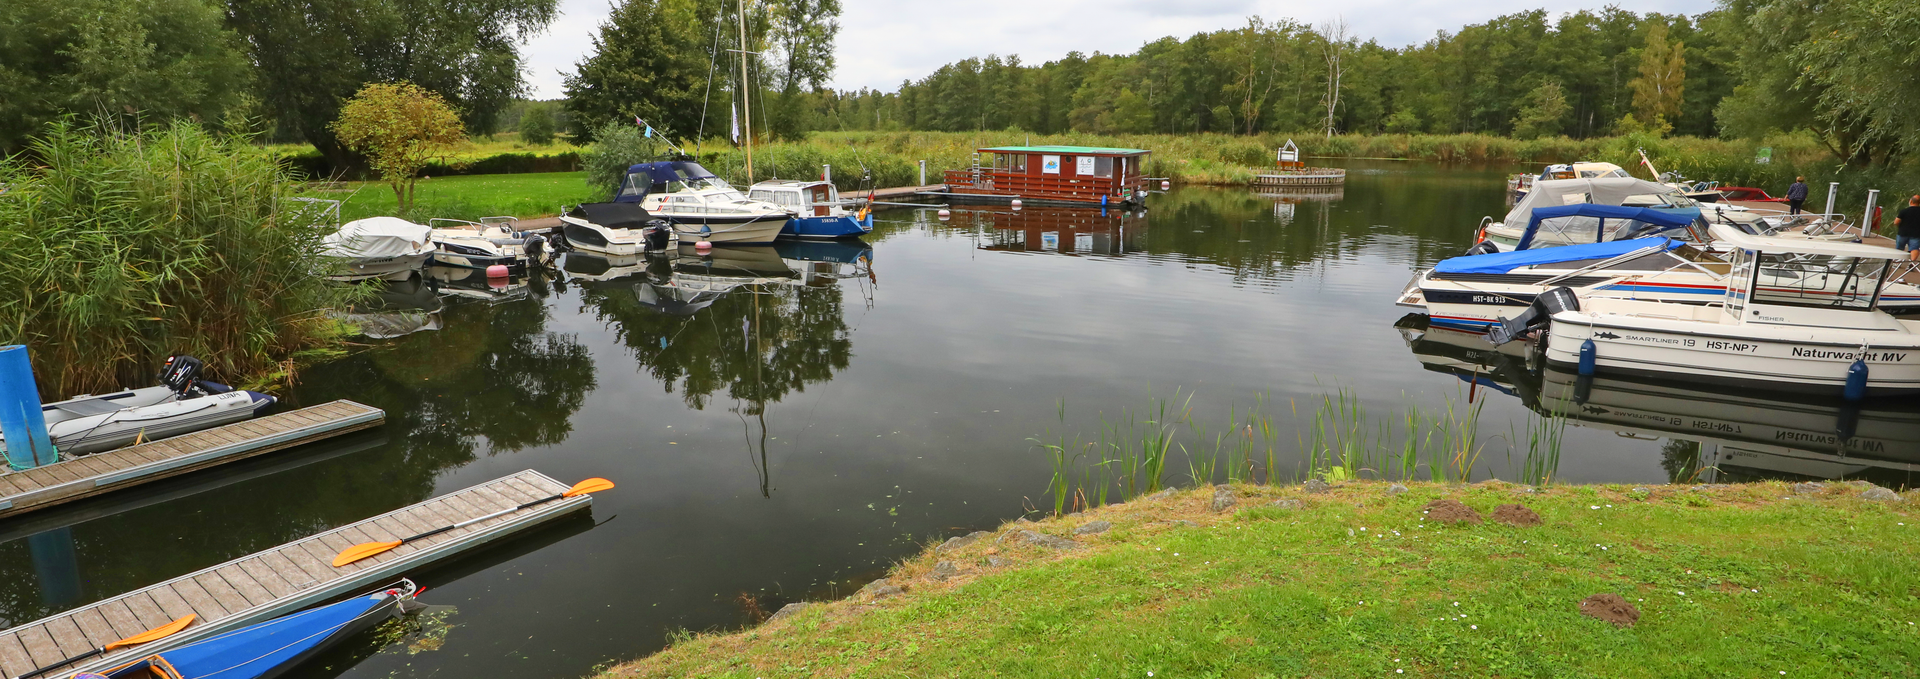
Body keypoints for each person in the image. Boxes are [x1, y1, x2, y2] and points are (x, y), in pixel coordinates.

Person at [1897, 195, 1920, 262]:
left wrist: (1899, 225)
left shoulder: (1904, 211)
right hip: (1916, 234)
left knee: (1899, 248)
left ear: (1911, 201)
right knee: (1914, 248)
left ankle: (1897, 261)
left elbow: (1896, 222)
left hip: (1903, 232)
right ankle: (1911, 263)